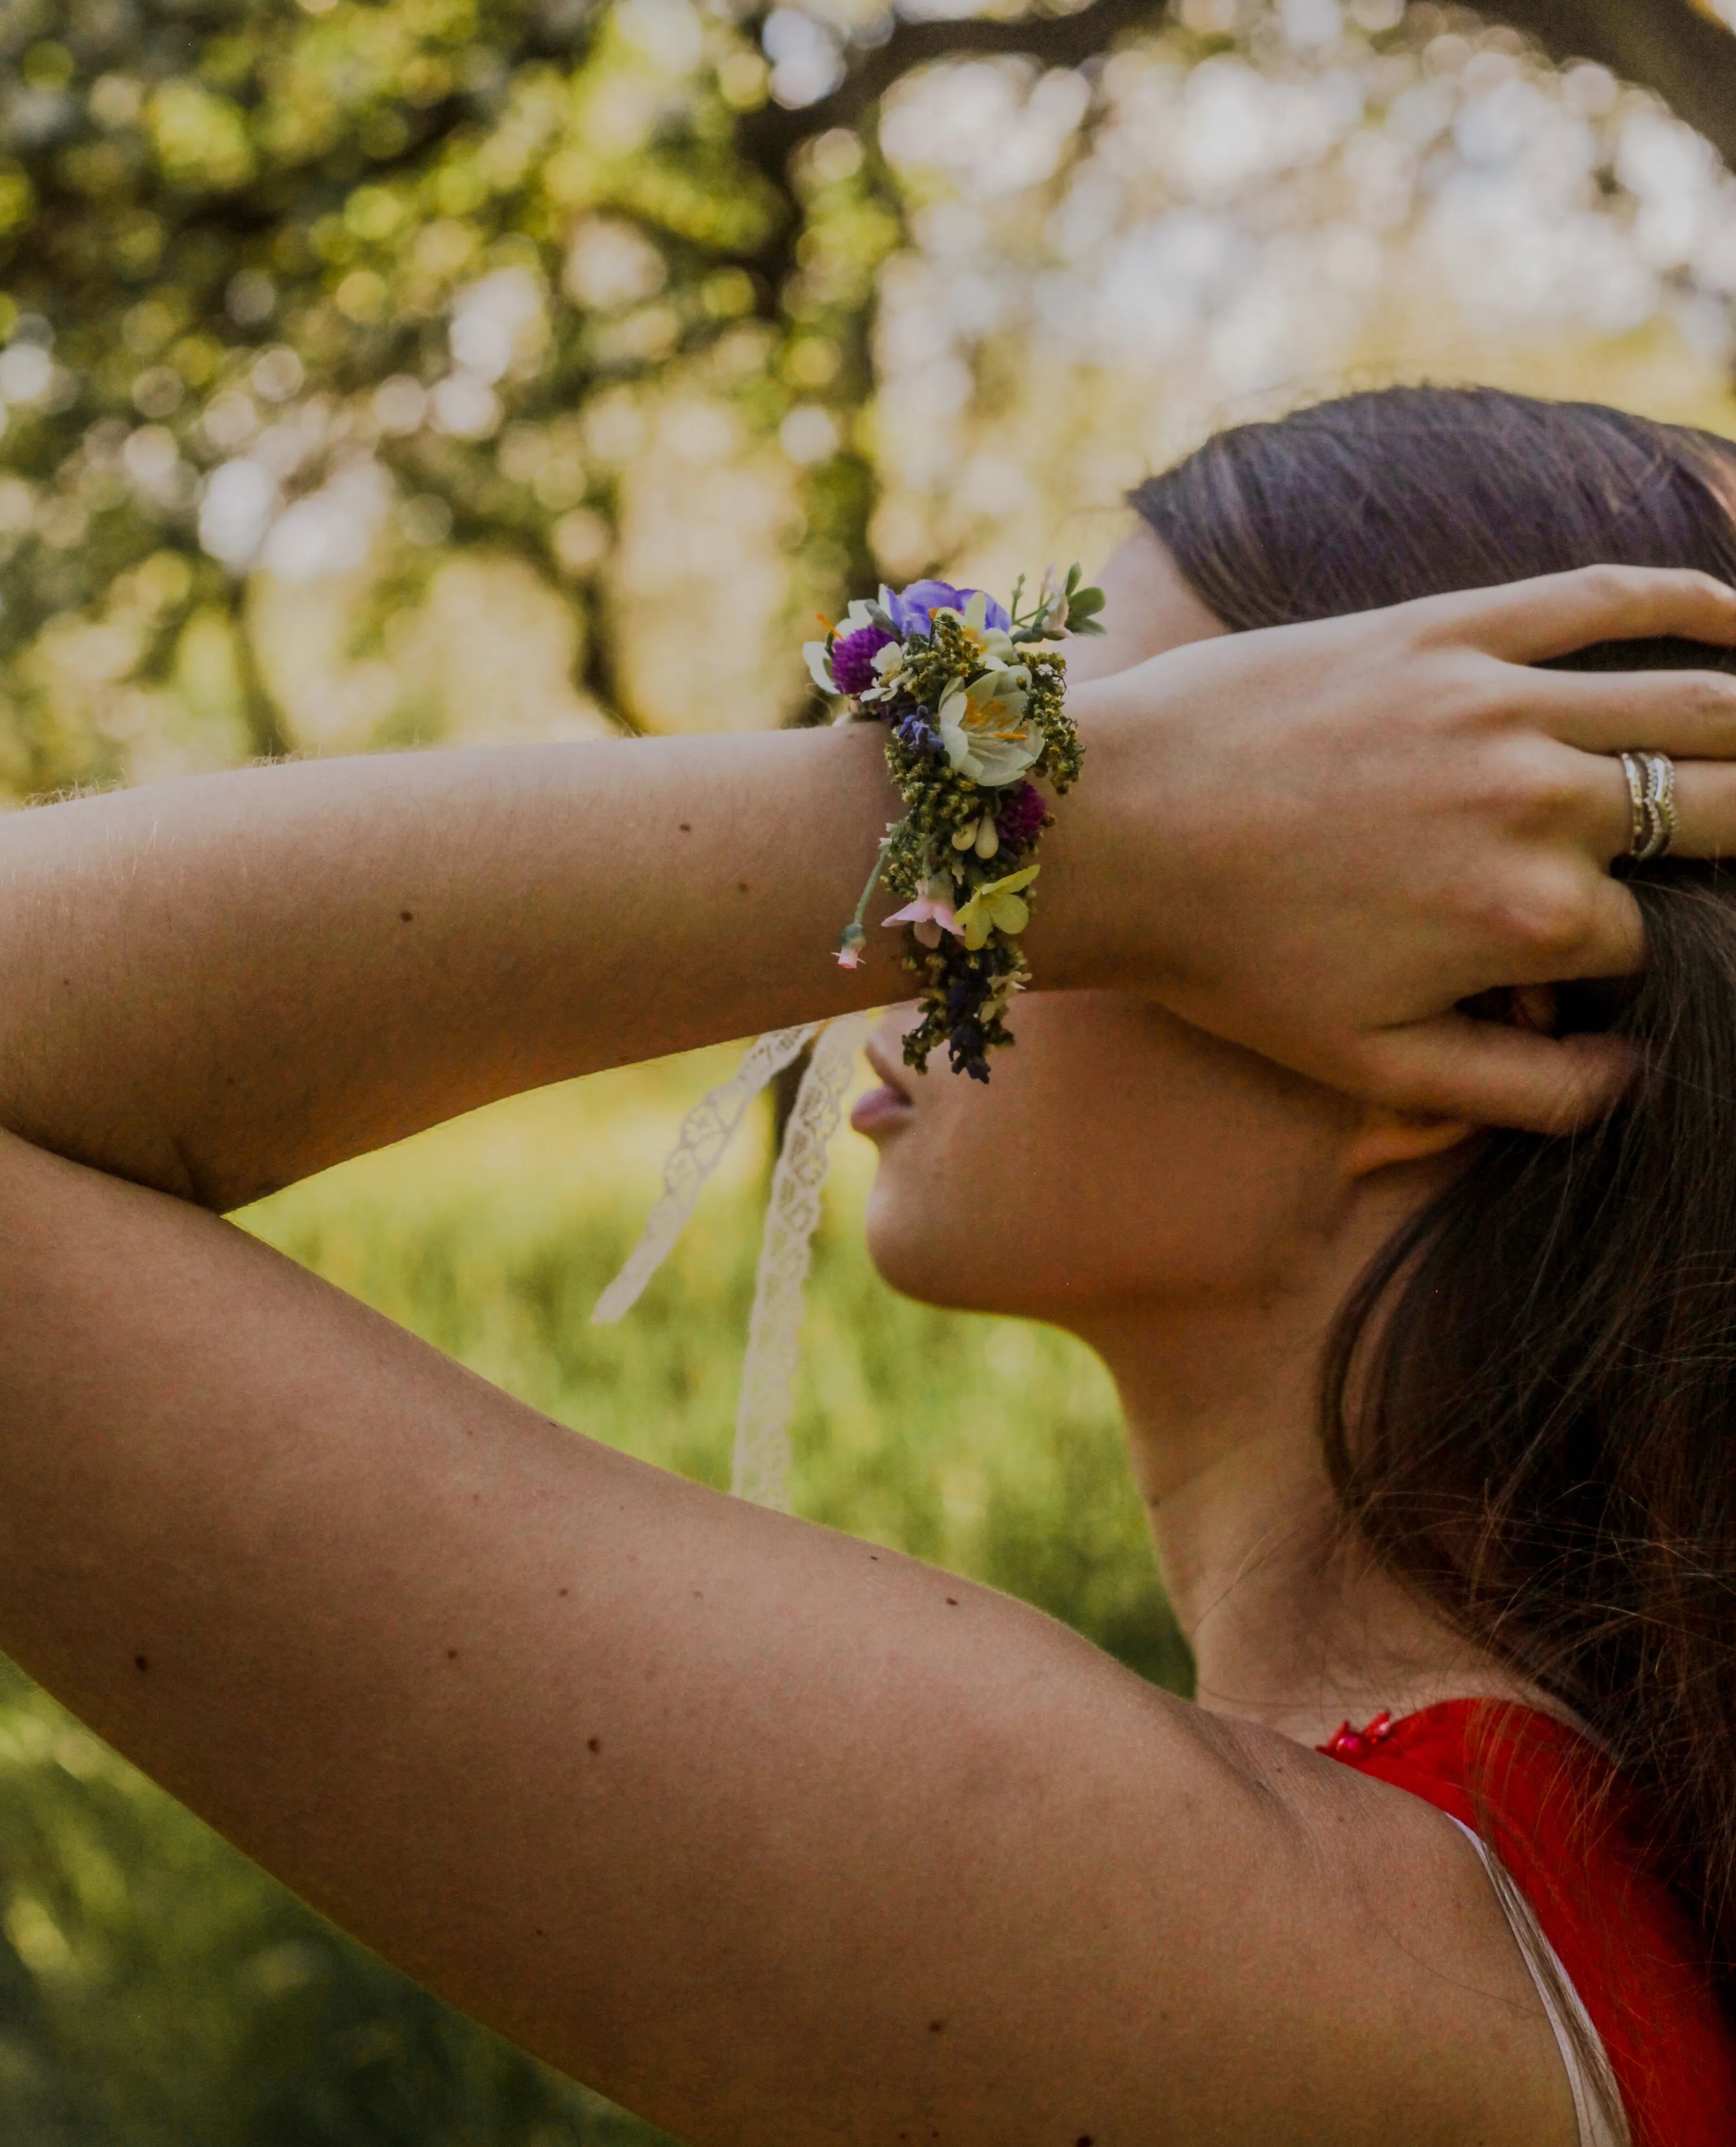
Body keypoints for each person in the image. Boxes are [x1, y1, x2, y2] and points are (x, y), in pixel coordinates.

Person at [1, 382, 1735, 2146]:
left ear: (1469, 1000)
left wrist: (1022, 818)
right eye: (1075, 762)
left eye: (1165, 796)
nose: (940, 924)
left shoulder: (1275, 1955)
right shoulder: (1502, 1903)